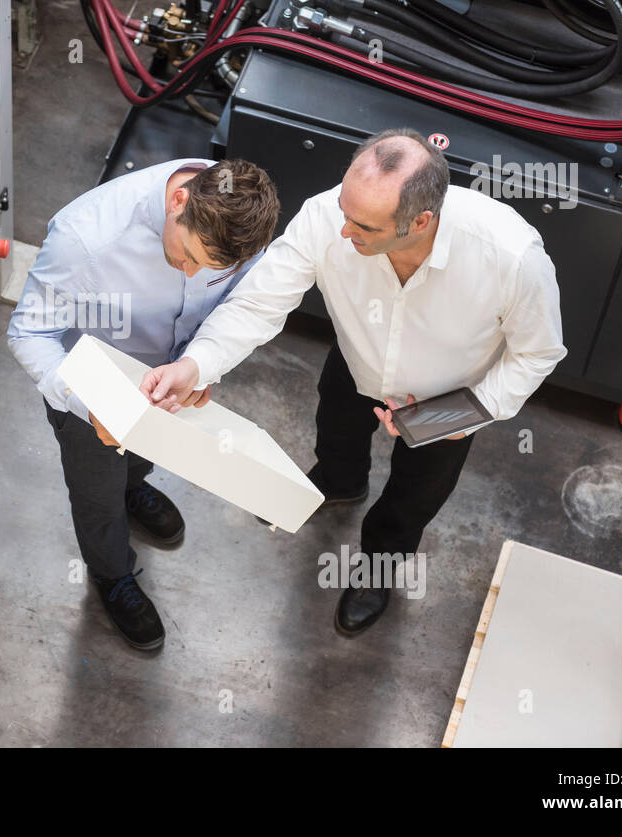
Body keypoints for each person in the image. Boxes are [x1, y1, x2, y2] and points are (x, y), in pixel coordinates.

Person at [140, 129, 567, 636]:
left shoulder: (511, 257)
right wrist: (196, 365)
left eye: (362, 225)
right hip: (358, 363)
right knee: (336, 435)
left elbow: (537, 352)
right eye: (344, 210)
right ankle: (341, 484)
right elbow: (259, 303)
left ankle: (377, 571)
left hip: (447, 401)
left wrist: (460, 415)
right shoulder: (327, 218)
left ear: (421, 221)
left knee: (413, 499)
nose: (342, 231)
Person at [7, 158, 279, 650]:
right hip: (87, 394)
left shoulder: (235, 223)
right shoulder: (85, 237)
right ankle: (112, 575)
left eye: (210, 271)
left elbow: (242, 307)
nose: (193, 272)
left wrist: (200, 363)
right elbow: (30, 333)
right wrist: (89, 404)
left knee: (141, 458)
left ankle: (135, 489)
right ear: (180, 201)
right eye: (188, 256)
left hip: (165, 385)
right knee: (96, 494)